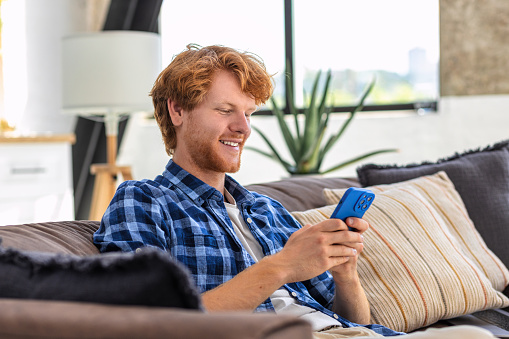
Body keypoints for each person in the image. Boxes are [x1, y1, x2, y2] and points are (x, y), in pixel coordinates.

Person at [93, 44, 496, 339]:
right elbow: (150, 321)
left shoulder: (266, 210)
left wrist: (345, 274)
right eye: (224, 110)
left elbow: (350, 320)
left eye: (248, 114)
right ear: (177, 111)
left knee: (476, 336)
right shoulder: (144, 200)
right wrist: (283, 266)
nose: (244, 129)